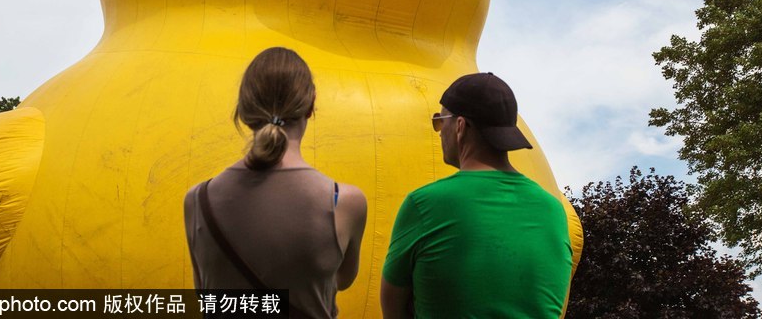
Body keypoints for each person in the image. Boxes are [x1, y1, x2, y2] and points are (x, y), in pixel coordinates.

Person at [184, 47, 367, 318]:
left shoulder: (197, 200)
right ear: (311, 105)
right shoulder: (344, 202)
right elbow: (340, 280)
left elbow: (205, 292)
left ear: (243, 110)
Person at [381, 72, 573, 318]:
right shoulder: (553, 210)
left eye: (440, 121)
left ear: (460, 126)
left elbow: (392, 310)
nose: (439, 131)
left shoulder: (424, 204)